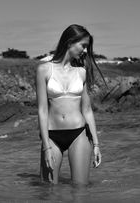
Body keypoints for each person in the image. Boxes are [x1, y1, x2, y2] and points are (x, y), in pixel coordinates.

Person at [36, 24, 105, 185]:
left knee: (80, 191)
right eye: (84, 45)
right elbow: (42, 110)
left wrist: (96, 144)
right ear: (70, 42)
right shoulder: (44, 70)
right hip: (52, 136)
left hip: (79, 134)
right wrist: (46, 147)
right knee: (47, 191)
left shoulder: (81, 72)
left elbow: (87, 110)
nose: (86, 51)